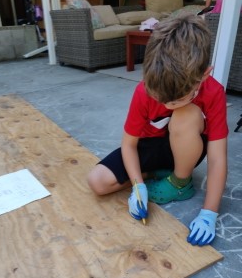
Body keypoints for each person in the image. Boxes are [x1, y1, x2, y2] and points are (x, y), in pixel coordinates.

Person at [87, 13, 228, 247]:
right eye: (160, 98)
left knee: (187, 114)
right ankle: (156, 173)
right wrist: (137, 185)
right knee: (98, 182)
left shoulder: (213, 92)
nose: (166, 105)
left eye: (175, 99)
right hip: (152, 146)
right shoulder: (145, 89)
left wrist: (209, 213)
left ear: (204, 75)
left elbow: (217, 158)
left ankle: (180, 183)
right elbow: (129, 144)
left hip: (188, 146)